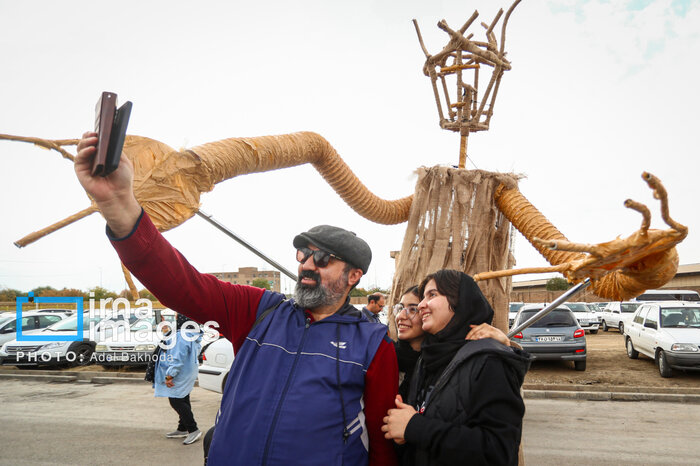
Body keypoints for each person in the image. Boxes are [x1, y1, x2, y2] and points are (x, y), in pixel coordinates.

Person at [74, 132, 399, 465]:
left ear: (354, 276)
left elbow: (381, 441)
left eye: (323, 259)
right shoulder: (260, 310)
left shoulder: (373, 343)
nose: (306, 265)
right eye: (303, 254)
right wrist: (119, 203)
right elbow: (180, 284)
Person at [382, 269, 531, 465]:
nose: (421, 305)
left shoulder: (489, 361)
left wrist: (415, 427)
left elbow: (498, 451)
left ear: (459, 300)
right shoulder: (427, 359)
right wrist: (406, 433)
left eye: (432, 295)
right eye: (423, 297)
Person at [155, 313, 203, 445]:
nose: (175, 320)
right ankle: (182, 428)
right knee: (183, 398)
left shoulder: (182, 336)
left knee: (176, 401)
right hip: (188, 371)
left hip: (180, 373)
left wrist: (170, 375)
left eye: (176, 317)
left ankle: (193, 429)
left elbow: (177, 358)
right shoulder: (192, 334)